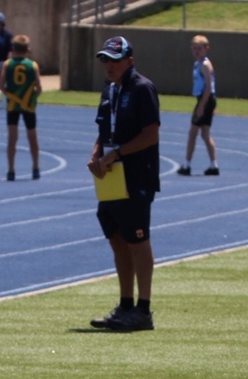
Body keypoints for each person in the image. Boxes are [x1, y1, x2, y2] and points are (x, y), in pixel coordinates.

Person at [87, 36, 160, 333]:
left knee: (138, 240)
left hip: (136, 175)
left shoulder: (142, 88)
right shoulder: (110, 90)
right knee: (117, 237)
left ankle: (143, 309)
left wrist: (116, 153)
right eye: (105, 59)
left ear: (130, 60)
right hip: (112, 177)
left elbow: (150, 135)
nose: (109, 65)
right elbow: (104, 130)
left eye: (115, 59)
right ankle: (125, 304)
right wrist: (96, 154)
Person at [0, 34, 42, 181]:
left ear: (13, 49)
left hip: (13, 104)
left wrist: (8, 94)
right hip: (29, 105)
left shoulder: (7, 64)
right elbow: (39, 87)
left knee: (12, 137)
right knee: (32, 136)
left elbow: (0, 84)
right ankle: (35, 167)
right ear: (27, 50)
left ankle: (11, 169)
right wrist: (33, 98)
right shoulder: (33, 65)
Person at [177, 34, 218, 177]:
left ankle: (186, 165)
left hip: (205, 99)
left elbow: (208, 87)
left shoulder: (205, 65)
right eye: (194, 49)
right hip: (206, 100)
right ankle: (214, 165)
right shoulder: (197, 64)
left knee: (192, 133)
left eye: (199, 49)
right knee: (205, 135)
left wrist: (202, 106)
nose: (196, 52)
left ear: (206, 49)